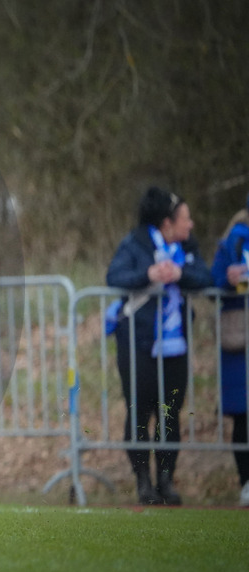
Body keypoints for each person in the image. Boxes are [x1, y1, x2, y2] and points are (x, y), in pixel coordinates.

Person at [105, 186, 211, 505]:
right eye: (185, 218)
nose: (190, 224)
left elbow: (205, 277)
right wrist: (148, 273)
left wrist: (180, 273)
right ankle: (143, 482)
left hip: (175, 347)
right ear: (167, 223)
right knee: (139, 413)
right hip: (138, 343)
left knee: (170, 414)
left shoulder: (187, 247)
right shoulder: (135, 243)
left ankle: (166, 481)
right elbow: (115, 276)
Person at [208, 195, 249, 507]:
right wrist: (229, 279)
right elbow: (213, 283)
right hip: (240, 341)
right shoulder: (233, 242)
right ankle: (246, 482)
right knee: (243, 417)